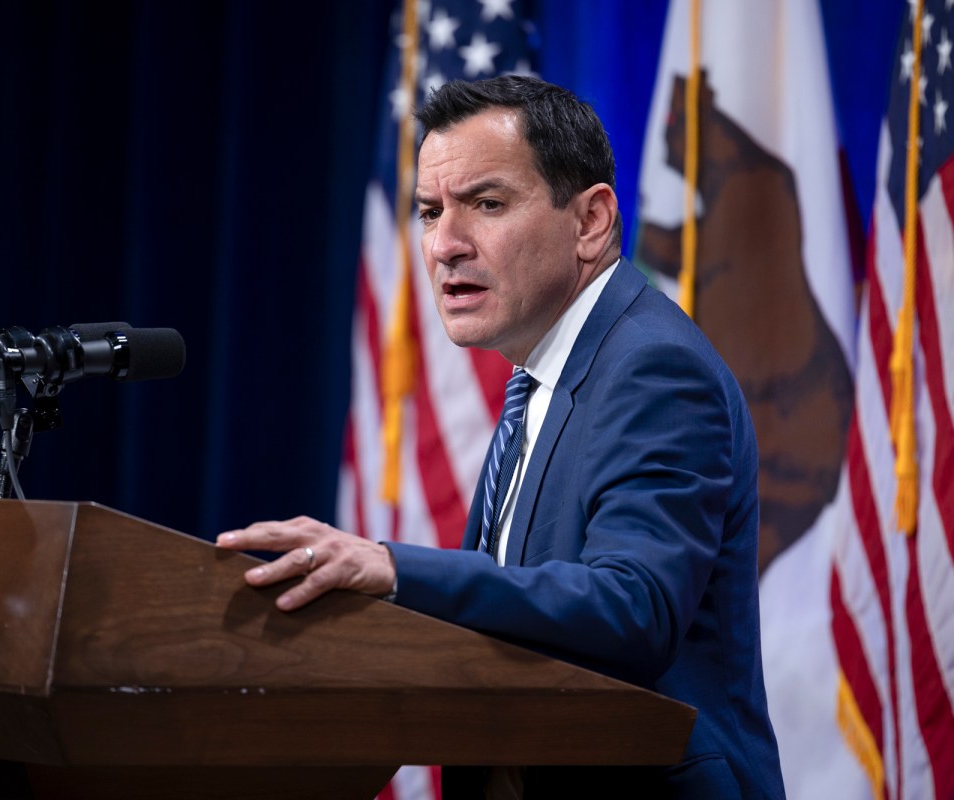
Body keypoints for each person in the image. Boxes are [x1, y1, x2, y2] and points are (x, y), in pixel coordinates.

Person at [216, 75, 785, 799]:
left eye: (486, 204)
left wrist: (394, 570)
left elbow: (634, 607)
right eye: (429, 211)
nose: (446, 245)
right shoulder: (541, 376)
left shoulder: (652, 367)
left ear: (590, 221)